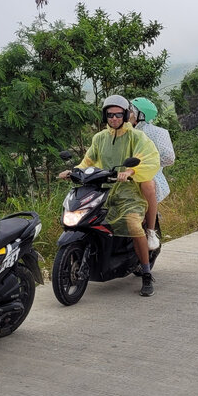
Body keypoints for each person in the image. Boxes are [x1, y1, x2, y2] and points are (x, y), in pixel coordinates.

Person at [58, 94, 160, 296]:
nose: (114, 118)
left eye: (118, 114)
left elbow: (147, 156)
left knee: (131, 224)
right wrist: (73, 171)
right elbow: (88, 161)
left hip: (128, 191)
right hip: (102, 188)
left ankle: (147, 274)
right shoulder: (100, 138)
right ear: (105, 116)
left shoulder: (136, 137)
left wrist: (130, 171)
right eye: (110, 115)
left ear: (125, 115)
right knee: (86, 217)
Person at [129, 97, 175, 251]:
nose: (127, 114)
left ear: (140, 114)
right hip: (125, 175)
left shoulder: (158, 132)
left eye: (131, 111)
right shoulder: (124, 132)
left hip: (149, 176)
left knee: (147, 186)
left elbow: (169, 157)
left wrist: (147, 163)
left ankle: (150, 231)